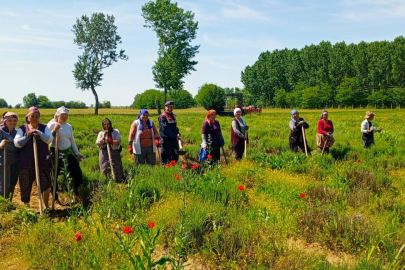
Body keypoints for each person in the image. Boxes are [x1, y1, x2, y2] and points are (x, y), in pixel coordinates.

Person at [14, 107, 53, 210]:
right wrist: (27, 136)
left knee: (45, 185)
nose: (35, 118)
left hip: (42, 162)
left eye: (37, 116)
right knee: (25, 186)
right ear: (28, 117)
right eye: (32, 116)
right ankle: (26, 209)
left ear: (39, 117)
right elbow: (17, 143)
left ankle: (45, 206)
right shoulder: (23, 129)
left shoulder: (44, 128)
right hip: (25, 163)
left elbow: (49, 139)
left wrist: (39, 133)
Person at [47, 107, 84, 203]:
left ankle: (75, 194)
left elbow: (72, 141)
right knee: (53, 175)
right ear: (57, 115)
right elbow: (47, 139)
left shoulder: (68, 126)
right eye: (62, 114)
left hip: (67, 152)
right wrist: (54, 130)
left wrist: (77, 153)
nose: (64, 116)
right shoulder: (52, 124)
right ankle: (55, 198)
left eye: (66, 114)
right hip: (55, 152)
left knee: (77, 172)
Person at [0, 112, 19, 200]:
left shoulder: (18, 132)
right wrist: (1, 145)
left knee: (12, 183)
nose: (13, 122)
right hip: (4, 160)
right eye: (10, 120)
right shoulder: (1, 131)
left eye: (15, 120)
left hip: (16, 160)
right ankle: (3, 203)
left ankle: (9, 202)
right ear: (5, 121)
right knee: (5, 184)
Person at [158, 101, 181, 165]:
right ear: (165, 107)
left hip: (174, 141)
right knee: (166, 159)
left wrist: (178, 132)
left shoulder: (173, 115)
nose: (170, 108)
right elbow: (165, 130)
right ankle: (166, 173)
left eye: (171, 107)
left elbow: (174, 127)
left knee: (175, 157)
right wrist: (175, 136)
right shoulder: (163, 117)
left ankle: (174, 172)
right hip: (166, 141)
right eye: (168, 107)